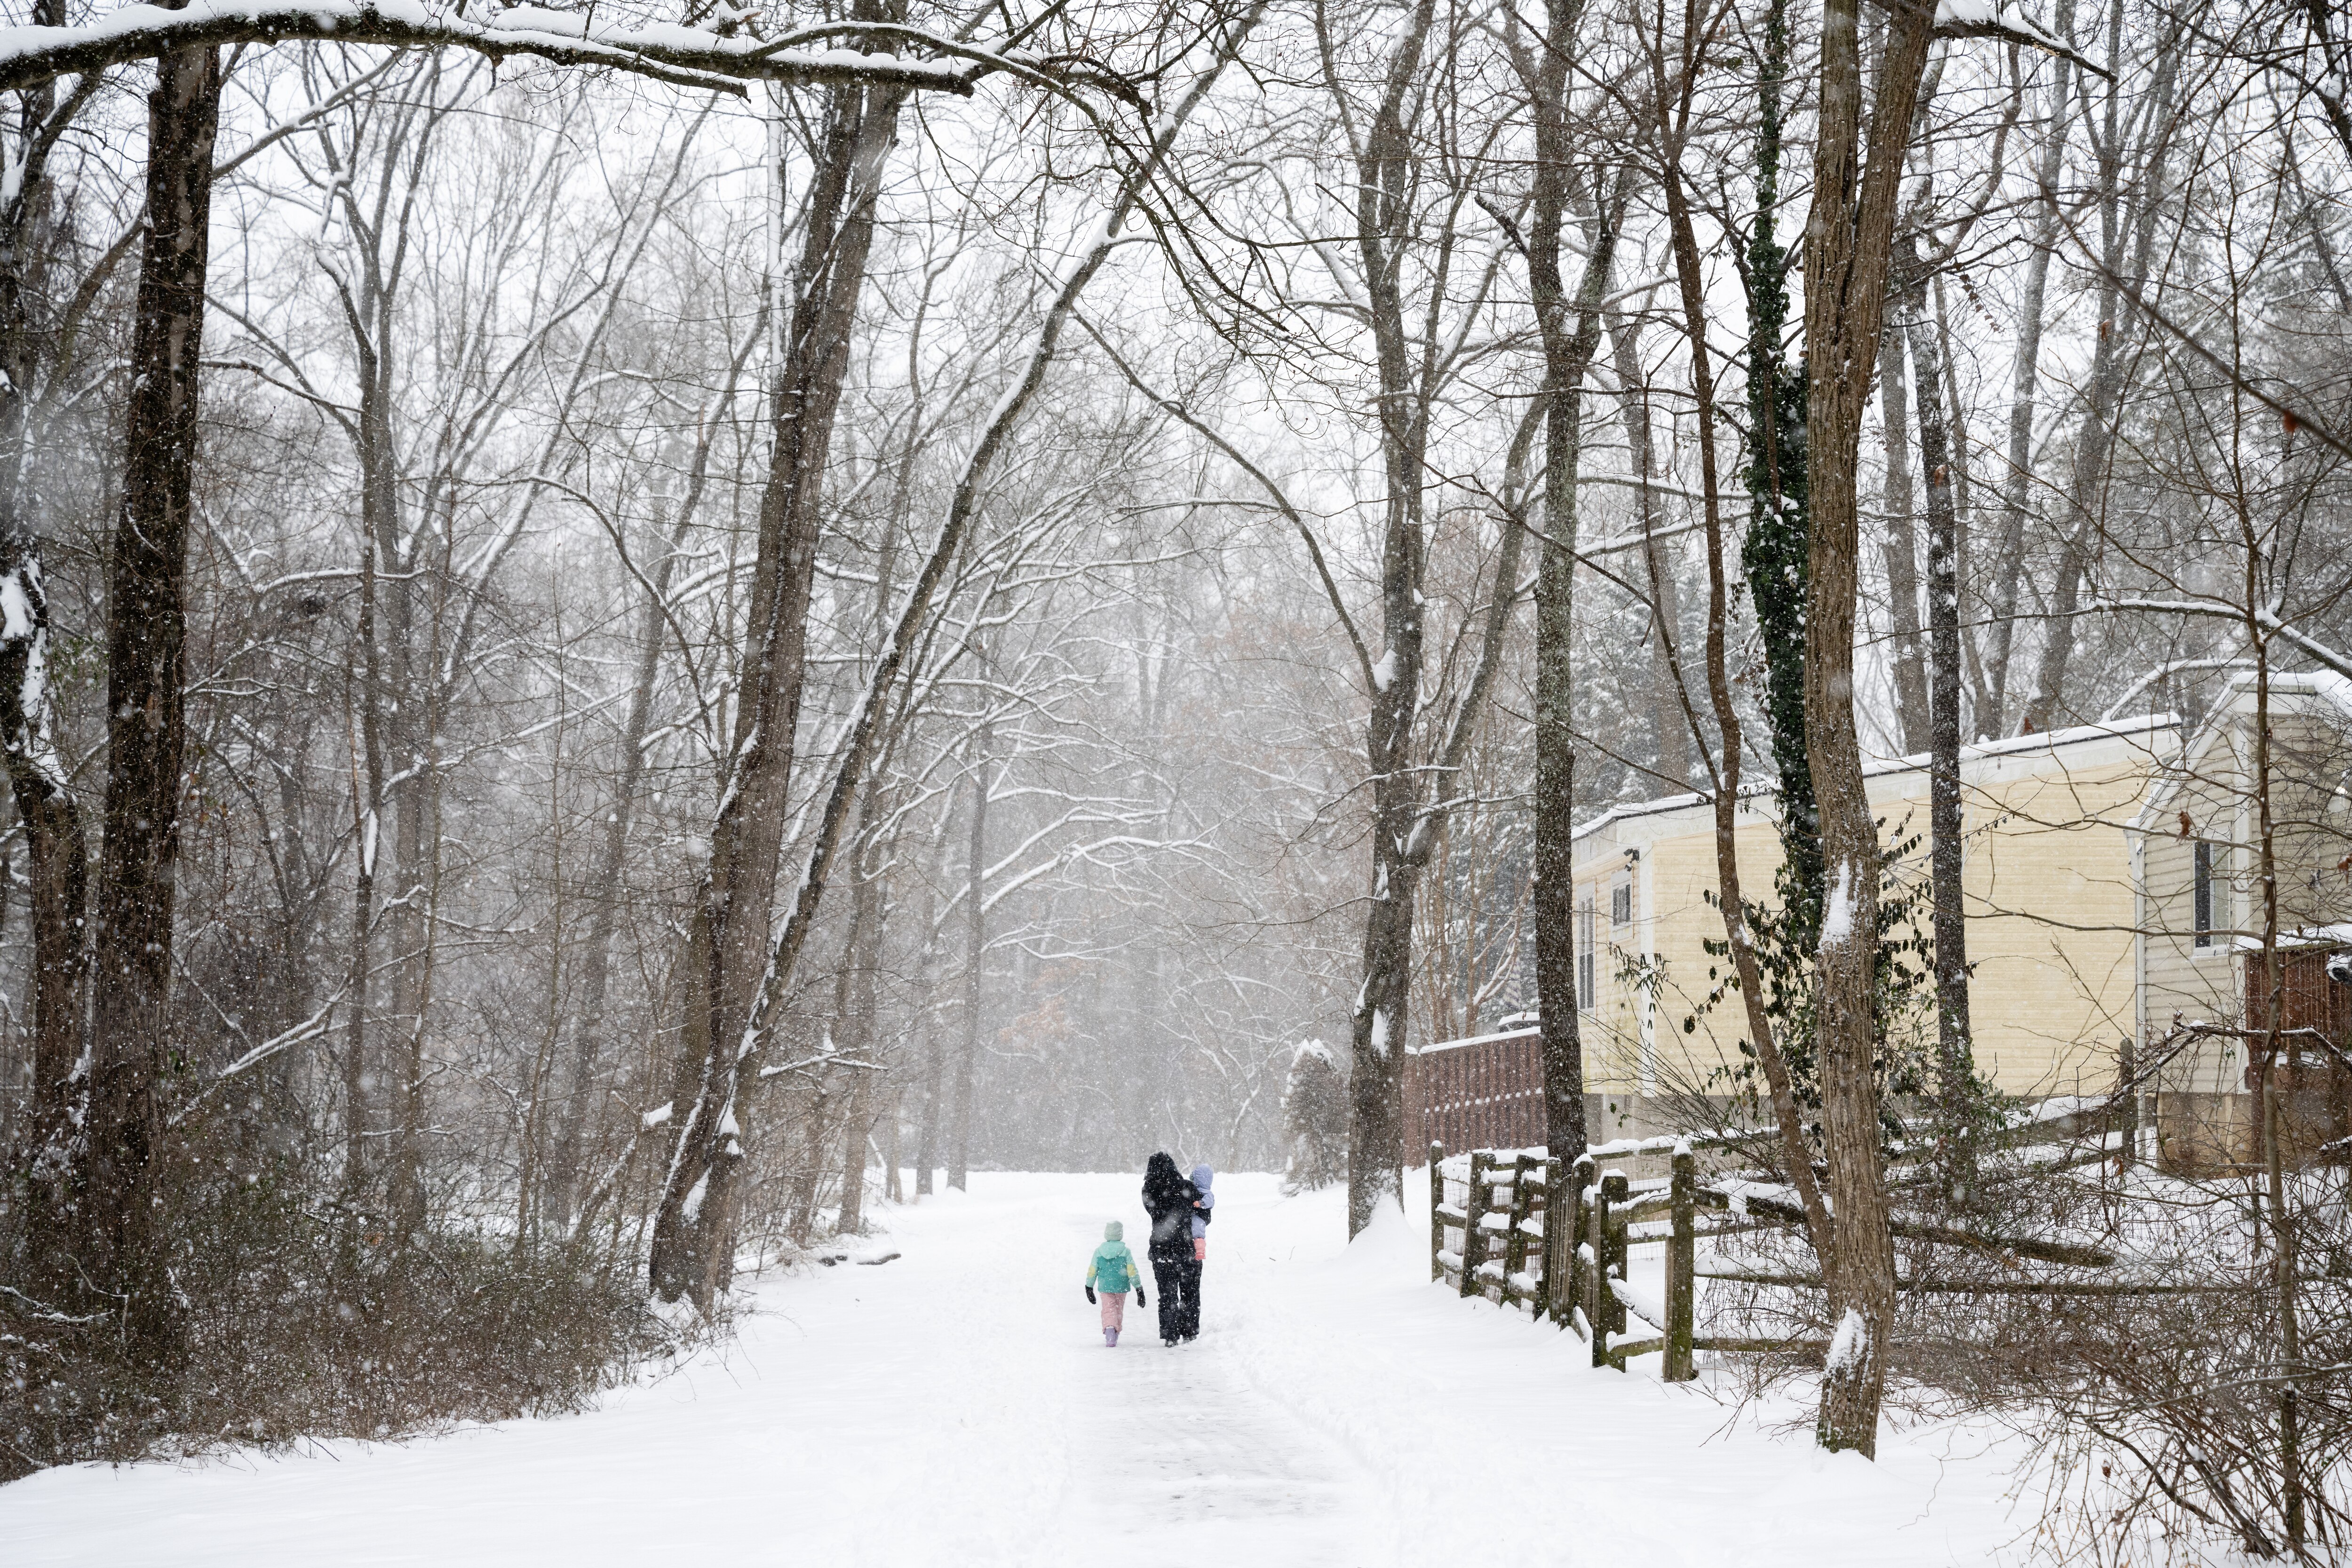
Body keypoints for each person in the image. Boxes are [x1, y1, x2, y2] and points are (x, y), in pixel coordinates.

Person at [1141, 1152, 1202, 1345]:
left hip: (1162, 1250)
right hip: (1187, 1249)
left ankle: (1170, 1336)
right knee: (1190, 1292)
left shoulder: (1148, 1190)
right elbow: (1202, 1210)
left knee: (1167, 1295)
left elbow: (1153, 1211)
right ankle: (1190, 1332)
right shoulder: (1187, 1187)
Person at [1083, 1220, 1144, 1347]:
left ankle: (1110, 1330)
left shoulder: (1099, 1251)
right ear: (1120, 1234)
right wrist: (1138, 1288)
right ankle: (1115, 1333)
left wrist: (1089, 1287)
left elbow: (1093, 1270)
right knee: (1118, 1309)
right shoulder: (1125, 1251)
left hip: (1105, 1286)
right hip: (1121, 1286)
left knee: (1108, 1309)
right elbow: (1132, 1271)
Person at [1188, 1164, 1216, 1327]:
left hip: (1198, 1218)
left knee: (1199, 1233)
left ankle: (1200, 1250)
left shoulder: (1207, 1193)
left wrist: (1200, 1204)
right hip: (1194, 1217)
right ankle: (1198, 1246)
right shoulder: (1194, 1189)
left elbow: (1209, 1202)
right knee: (1196, 1231)